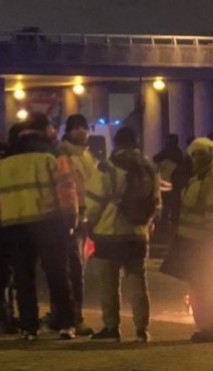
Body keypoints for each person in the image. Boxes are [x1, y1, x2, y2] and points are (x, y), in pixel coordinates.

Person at [0, 113, 78, 341]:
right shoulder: (51, 156)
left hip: (15, 226)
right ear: (44, 130)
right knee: (57, 274)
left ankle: (29, 327)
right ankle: (66, 324)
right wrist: (70, 220)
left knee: (23, 278)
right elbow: (66, 190)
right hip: (49, 222)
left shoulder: (3, 162)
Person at [85, 126, 160, 343]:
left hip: (109, 232)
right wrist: (147, 225)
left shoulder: (107, 167)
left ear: (117, 144)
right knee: (137, 281)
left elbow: (95, 201)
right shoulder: (150, 167)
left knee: (108, 283)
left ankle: (111, 327)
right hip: (137, 234)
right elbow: (156, 202)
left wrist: (89, 224)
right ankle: (141, 329)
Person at [160, 137, 213, 343]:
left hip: (207, 244)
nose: (197, 158)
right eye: (194, 154)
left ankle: (210, 328)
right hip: (194, 242)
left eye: (202, 154)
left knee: (206, 286)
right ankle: (206, 327)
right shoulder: (198, 179)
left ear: (211, 156)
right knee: (200, 286)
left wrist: (208, 240)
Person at [57, 113, 97, 336]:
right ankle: (70, 319)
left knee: (78, 270)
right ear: (68, 131)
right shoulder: (63, 155)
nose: (82, 131)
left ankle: (73, 316)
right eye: (77, 128)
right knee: (72, 269)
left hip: (85, 218)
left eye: (85, 127)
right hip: (69, 217)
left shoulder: (87, 156)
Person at [0, 123, 27, 334]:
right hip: (9, 221)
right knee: (10, 271)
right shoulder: (12, 160)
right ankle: (5, 314)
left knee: (2, 271)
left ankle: (4, 314)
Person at [153, 134, 183, 226]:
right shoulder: (178, 152)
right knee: (175, 206)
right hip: (175, 184)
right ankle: (174, 223)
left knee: (165, 205)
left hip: (165, 183)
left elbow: (155, 158)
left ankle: (164, 224)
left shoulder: (166, 151)